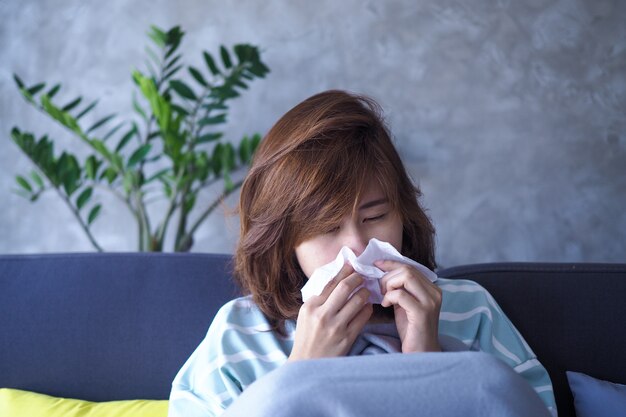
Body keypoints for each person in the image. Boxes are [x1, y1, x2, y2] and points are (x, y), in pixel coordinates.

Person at [168, 90, 557, 417]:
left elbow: (534, 407)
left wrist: (430, 363)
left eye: (375, 216)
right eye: (326, 228)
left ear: (404, 214)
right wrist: (303, 371)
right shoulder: (239, 336)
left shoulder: (471, 311)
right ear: (285, 240)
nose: (356, 247)